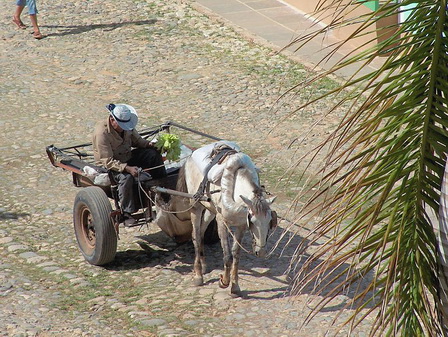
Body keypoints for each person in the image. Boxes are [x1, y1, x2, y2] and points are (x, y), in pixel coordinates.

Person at [92, 103, 166, 226]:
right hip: (111, 166)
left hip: (127, 156)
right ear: (112, 120)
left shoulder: (127, 127)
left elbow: (138, 141)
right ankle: (126, 212)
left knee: (153, 155)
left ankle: (164, 192)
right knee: (126, 178)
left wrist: (151, 145)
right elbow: (107, 161)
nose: (124, 128)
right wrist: (127, 168)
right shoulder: (102, 133)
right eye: (121, 126)